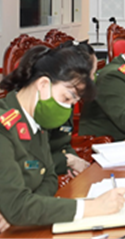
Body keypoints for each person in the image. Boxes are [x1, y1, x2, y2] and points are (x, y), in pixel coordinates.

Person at [0, 46, 125, 238]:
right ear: (43, 84)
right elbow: (18, 207)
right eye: (66, 98)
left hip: (20, 226)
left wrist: (16, 210)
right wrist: (92, 207)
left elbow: (50, 178)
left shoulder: (35, 121)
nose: (67, 110)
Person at [47, 40, 96, 177]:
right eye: (92, 74)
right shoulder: (44, 107)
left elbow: (64, 143)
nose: (93, 79)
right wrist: (68, 162)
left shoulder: (67, 99)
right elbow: (32, 163)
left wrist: (77, 164)